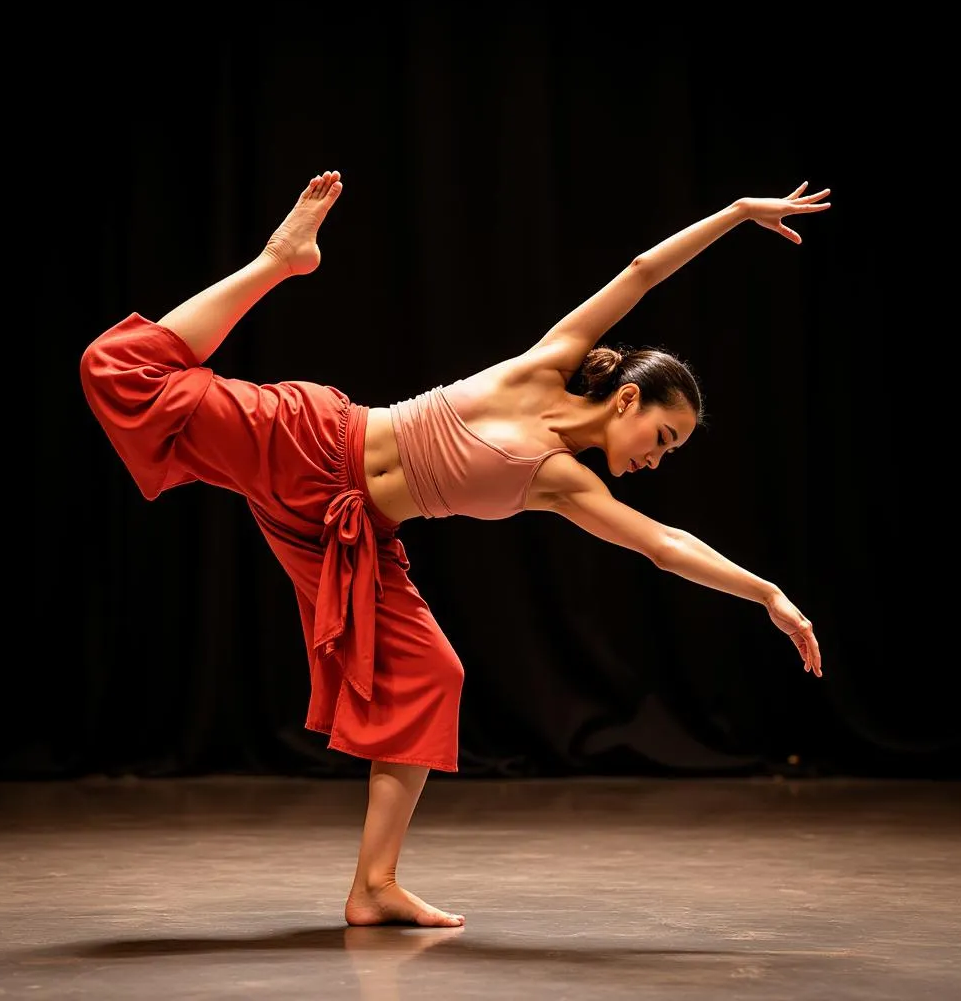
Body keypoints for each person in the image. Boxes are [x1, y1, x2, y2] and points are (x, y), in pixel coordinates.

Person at [80, 169, 828, 929]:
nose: (657, 459)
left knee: (431, 674)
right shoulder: (544, 366)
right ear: (628, 397)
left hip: (342, 533)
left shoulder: (567, 484)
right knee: (122, 370)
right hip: (309, 443)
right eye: (662, 438)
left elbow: (665, 545)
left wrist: (766, 593)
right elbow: (641, 272)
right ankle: (281, 260)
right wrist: (734, 214)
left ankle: (374, 885)